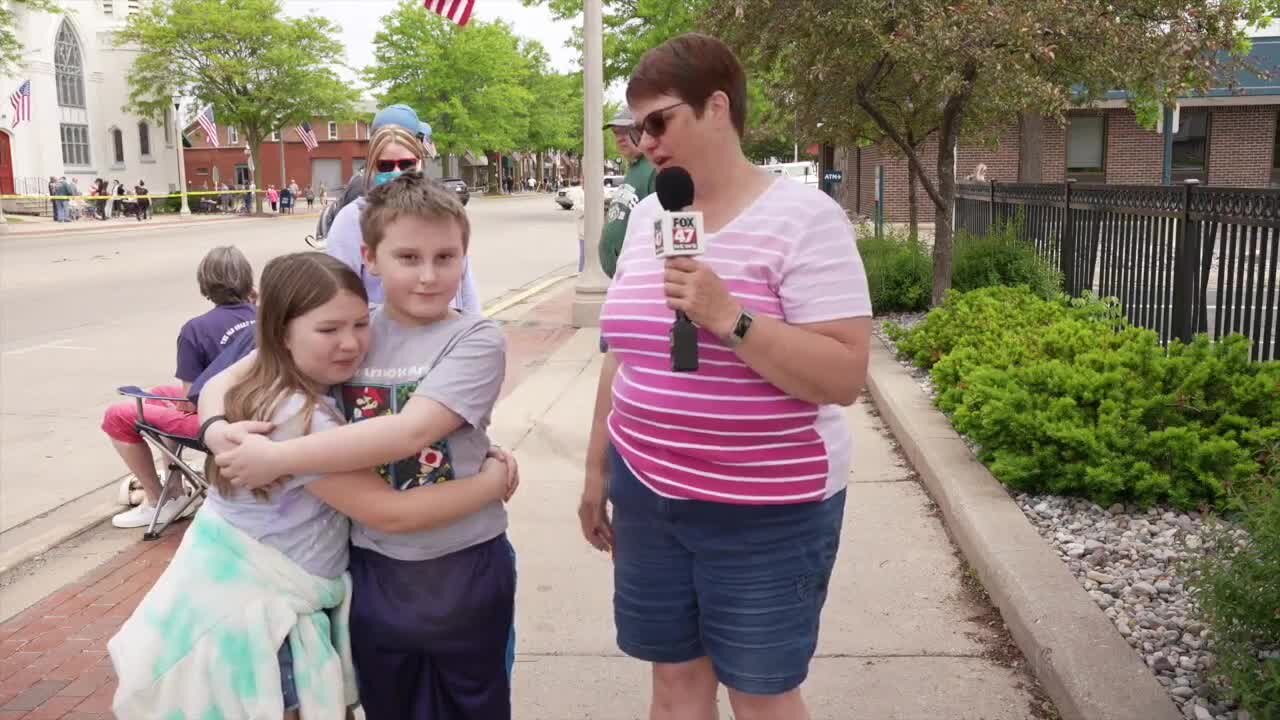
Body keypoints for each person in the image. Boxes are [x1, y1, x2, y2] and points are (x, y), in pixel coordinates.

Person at [580, 33, 873, 720]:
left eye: (658, 121)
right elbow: (622, 352)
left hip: (765, 509)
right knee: (674, 682)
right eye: (634, 126)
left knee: (759, 694)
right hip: (650, 496)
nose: (644, 141)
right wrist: (598, 473)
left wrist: (731, 319)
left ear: (717, 108)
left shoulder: (806, 220)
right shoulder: (654, 214)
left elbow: (843, 375)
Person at [108, 252, 517, 720]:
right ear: (282, 333)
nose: (351, 344)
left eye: (360, 324)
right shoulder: (293, 415)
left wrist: (213, 428)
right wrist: (493, 481)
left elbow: (219, 382)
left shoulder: (276, 384)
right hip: (260, 625)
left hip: (250, 606)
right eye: (329, 330)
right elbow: (390, 513)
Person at [203, 173, 516, 719]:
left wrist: (277, 458)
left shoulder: (475, 338)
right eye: (408, 257)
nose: (427, 275)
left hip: (464, 563)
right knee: (386, 703)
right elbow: (225, 381)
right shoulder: (350, 329)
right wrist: (211, 430)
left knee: (475, 704)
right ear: (370, 258)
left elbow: (412, 432)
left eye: (446, 257)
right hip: (375, 570)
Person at [103, 246, 258, 529]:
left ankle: (156, 499)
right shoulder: (265, 316)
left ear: (205, 284)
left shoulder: (196, 330)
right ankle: (174, 486)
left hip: (217, 425)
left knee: (117, 415)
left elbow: (189, 401)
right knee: (161, 394)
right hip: (259, 413)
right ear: (248, 280)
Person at [325, 124, 481, 313]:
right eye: (386, 165)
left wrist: (472, 328)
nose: (397, 171)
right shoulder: (351, 219)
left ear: (420, 163)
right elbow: (340, 293)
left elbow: (466, 285)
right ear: (372, 168)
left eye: (407, 164)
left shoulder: (442, 211)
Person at [600, 107, 658, 279]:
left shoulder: (654, 169)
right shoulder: (634, 167)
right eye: (616, 133)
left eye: (626, 132)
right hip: (624, 276)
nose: (620, 139)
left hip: (641, 275)